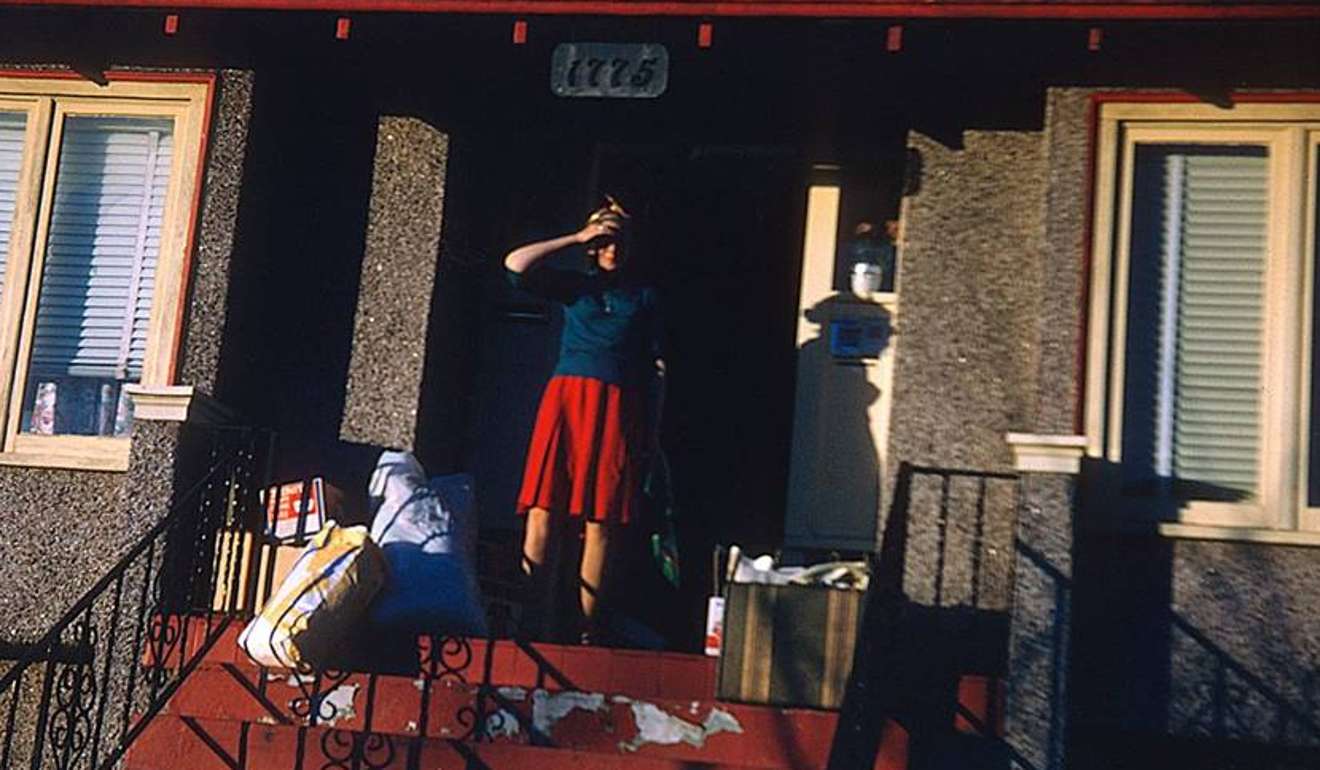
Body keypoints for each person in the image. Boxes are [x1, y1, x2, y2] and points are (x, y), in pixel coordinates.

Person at [504, 197, 665, 645]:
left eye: (620, 240)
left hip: (618, 405)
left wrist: (651, 433)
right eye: (606, 240)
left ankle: (586, 631)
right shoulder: (573, 286)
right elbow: (516, 265)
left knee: (602, 519)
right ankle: (528, 624)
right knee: (543, 511)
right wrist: (578, 237)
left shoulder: (644, 295)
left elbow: (656, 370)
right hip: (567, 400)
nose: (613, 248)